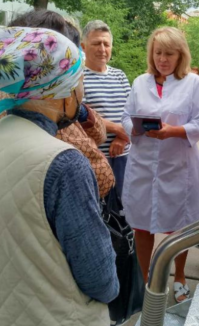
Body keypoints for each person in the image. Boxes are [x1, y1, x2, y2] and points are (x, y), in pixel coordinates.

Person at [0, 27, 119, 326]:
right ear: (59, 89)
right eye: (78, 80)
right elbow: (100, 279)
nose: (82, 92)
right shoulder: (64, 163)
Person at [121, 27, 199, 303]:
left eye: (169, 54)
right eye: (158, 52)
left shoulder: (193, 83)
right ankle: (146, 279)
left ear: (180, 55)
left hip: (178, 167)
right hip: (144, 165)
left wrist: (174, 131)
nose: (162, 59)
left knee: (179, 227)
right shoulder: (140, 82)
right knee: (142, 226)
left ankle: (180, 276)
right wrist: (136, 128)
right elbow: (125, 117)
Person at [0, 10, 115, 198]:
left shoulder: (23, 96)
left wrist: (81, 111)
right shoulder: (46, 110)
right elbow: (97, 176)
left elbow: (99, 133)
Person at [82, 20, 131, 203]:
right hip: (95, 158)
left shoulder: (120, 75)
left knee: (125, 209)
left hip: (124, 156)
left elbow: (133, 112)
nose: (102, 49)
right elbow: (81, 114)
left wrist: (123, 137)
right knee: (99, 209)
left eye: (106, 44)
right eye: (96, 43)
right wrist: (119, 129)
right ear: (83, 46)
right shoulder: (77, 76)